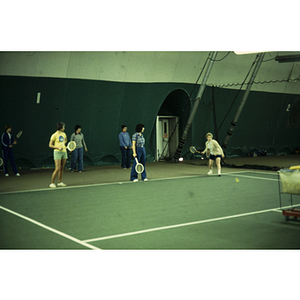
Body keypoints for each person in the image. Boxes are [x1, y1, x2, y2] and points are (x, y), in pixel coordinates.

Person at [49, 122, 68, 188]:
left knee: (62, 168)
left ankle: (60, 182)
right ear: (60, 127)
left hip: (64, 152)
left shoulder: (64, 134)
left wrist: (63, 145)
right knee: (57, 168)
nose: (64, 128)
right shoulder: (54, 135)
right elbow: (50, 145)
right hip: (57, 152)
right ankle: (52, 183)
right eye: (63, 127)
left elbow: (65, 140)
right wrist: (58, 147)